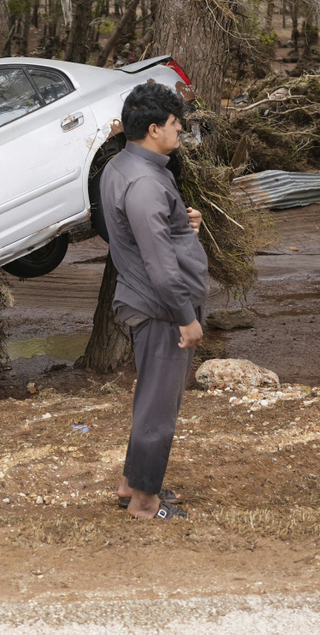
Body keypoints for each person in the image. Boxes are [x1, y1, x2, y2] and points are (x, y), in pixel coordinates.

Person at [98, 81, 209, 521]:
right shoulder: (145, 182)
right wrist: (186, 317)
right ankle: (145, 503)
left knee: (151, 399)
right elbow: (160, 263)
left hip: (148, 301)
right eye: (174, 123)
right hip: (161, 309)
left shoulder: (123, 166)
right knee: (159, 408)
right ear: (153, 129)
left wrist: (183, 223)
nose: (179, 129)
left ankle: (132, 484)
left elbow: (137, 229)